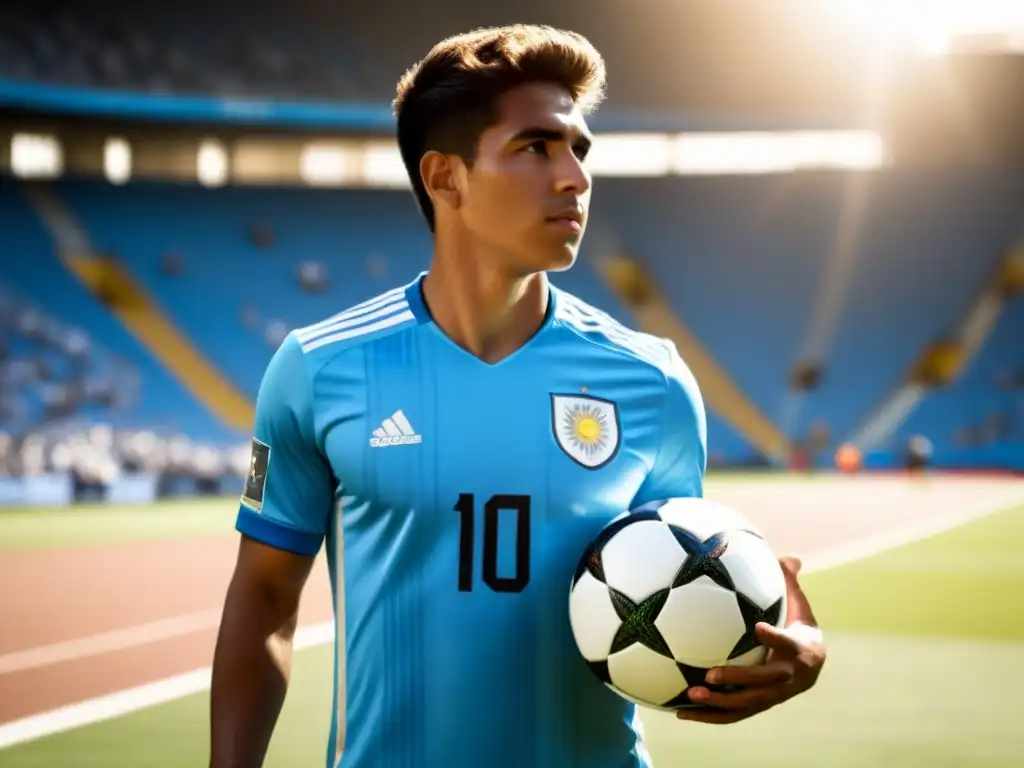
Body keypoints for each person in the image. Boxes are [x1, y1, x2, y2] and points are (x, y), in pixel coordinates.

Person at [208, 24, 826, 768]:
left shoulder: (653, 380)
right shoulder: (319, 366)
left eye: (579, 149)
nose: (575, 176)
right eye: (537, 147)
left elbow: (690, 590)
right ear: (446, 179)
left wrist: (788, 647)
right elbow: (264, 600)